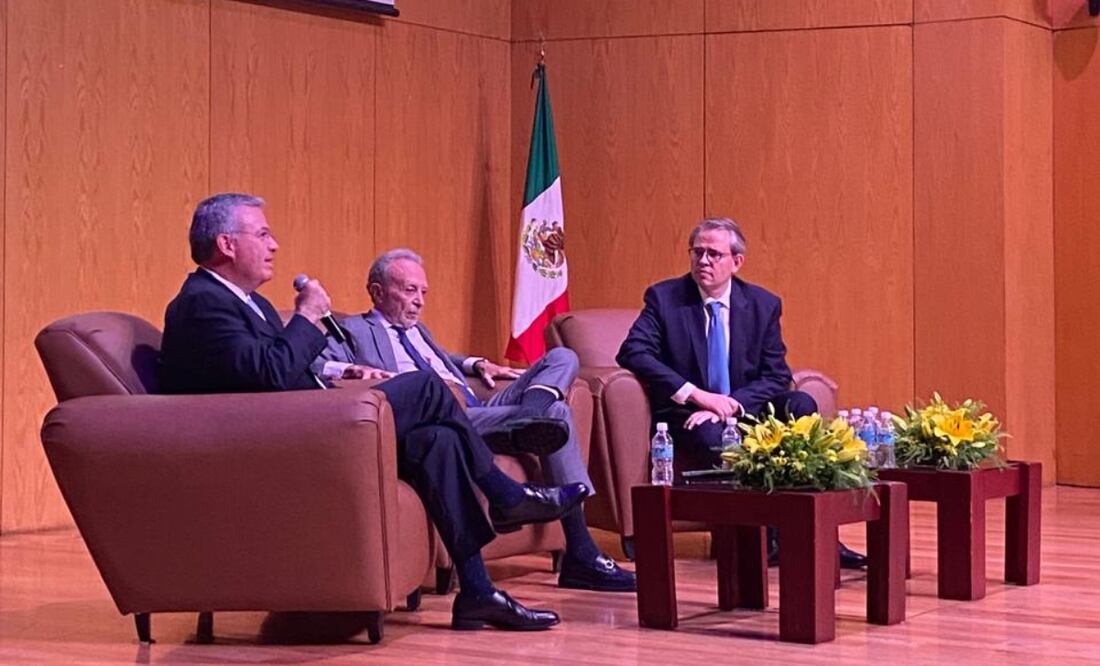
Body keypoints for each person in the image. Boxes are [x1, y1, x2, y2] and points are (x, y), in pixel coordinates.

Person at [158, 193, 589, 630]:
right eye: (263, 234)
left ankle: (477, 591)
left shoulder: (254, 304)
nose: (275, 245)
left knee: (437, 440)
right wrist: (307, 318)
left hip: (307, 419)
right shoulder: (201, 303)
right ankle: (506, 494)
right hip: (278, 442)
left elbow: (285, 371)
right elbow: (272, 375)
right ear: (227, 244)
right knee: (424, 387)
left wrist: (338, 374)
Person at [314, 248, 635, 592]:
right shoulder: (351, 329)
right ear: (377, 291)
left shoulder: (419, 330)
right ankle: (582, 552)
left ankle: (530, 417)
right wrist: (348, 368)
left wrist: (475, 363)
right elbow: (315, 366)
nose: (420, 301)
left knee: (562, 357)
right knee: (557, 415)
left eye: (424, 292)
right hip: (451, 418)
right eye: (409, 290)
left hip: (483, 406)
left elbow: (440, 359)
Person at [616, 216, 866, 569]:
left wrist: (729, 406)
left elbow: (776, 373)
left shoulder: (762, 304)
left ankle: (821, 538)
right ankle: (762, 538)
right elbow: (633, 352)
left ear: (737, 261)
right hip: (690, 413)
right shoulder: (665, 298)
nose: (703, 261)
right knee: (710, 433)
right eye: (697, 252)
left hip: (743, 407)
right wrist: (697, 396)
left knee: (801, 405)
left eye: (713, 254)